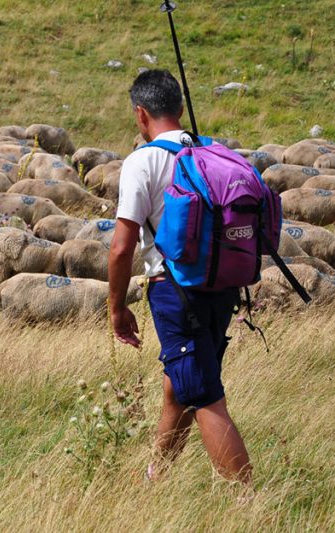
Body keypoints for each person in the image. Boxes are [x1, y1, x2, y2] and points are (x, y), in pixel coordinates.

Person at [107, 69, 253, 487]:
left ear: (140, 114)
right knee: (180, 385)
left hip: (175, 290)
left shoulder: (143, 161)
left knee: (204, 393)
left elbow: (121, 246)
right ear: (181, 108)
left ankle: (249, 502)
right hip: (223, 285)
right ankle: (158, 478)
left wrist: (117, 307)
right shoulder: (214, 151)